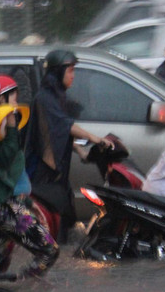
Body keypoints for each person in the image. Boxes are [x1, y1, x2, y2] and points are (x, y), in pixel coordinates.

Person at [0, 75, 59, 279]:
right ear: (1, 99)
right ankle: (24, 288)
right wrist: (10, 127)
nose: (16, 104)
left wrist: (26, 201)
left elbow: (5, 173)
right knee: (49, 251)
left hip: (1, 202)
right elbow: (4, 159)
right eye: (14, 98)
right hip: (2, 204)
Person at [25, 49, 114, 242]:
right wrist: (95, 138)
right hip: (43, 169)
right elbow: (65, 125)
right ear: (58, 73)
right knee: (53, 215)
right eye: (70, 71)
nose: (73, 76)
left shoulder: (56, 96)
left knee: (65, 211)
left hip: (58, 170)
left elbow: (60, 130)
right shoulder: (45, 98)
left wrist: (80, 151)